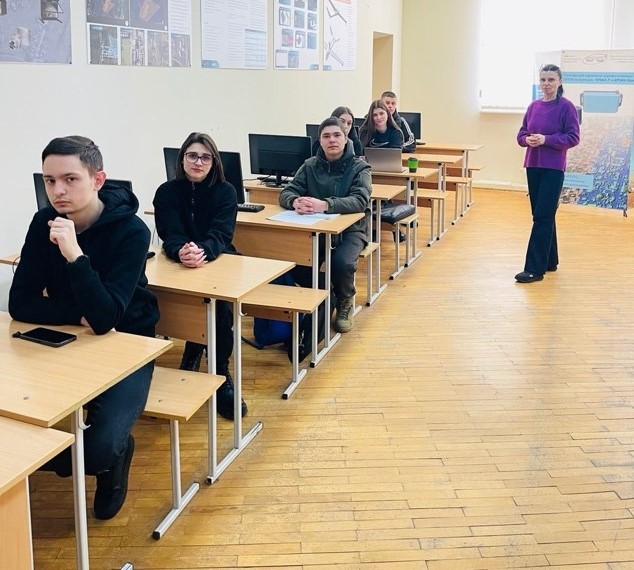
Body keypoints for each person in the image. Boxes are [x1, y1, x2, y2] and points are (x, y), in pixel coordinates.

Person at [8, 135, 159, 520]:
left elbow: (107, 319)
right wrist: (79, 315)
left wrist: (75, 255)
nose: (57, 190)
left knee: (98, 449)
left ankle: (114, 459)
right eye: (49, 180)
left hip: (130, 345)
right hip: (68, 339)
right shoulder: (43, 223)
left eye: (70, 179)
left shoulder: (132, 232)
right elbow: (20, 303)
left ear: (98, 180)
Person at [152, 132, 247, 419]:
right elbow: (169, 231)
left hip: (218, 256)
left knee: (219, 308)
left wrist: (202, 251)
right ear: (182, 159)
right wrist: (181, 250)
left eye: (206, 157)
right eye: (192, 155)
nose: (198, 162)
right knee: (163, 300)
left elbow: (221, 233)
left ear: (214, 162)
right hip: (179, 258)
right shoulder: (166, 192)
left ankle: (220, 372)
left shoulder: (226, 191)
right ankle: (193, 348)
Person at [279, 116, 371, 334]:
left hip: (352, 229)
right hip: (318, 229)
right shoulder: (309, 166)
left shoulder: (360, 167)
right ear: (319, 141)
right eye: (326, 136)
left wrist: (325, 205)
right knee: (296, 261)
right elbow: (287, 192)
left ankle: (345, 299)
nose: (332, 140)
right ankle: (326, 292)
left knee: (341, 263)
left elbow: (360, 200)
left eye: (337, 135)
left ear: (346, 138)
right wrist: (294, 201)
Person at [515, 64, 580, 283]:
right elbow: (521, 135)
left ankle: (534, 269)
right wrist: (527, 139)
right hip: (533, 165)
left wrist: (546, 139)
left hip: (553, 168)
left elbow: (573, 137)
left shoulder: (566, 107)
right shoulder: (533, 106)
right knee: (543, 214)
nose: (546, 84)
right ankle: (550, 260)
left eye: (551, 80)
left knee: (542, 216)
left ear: (560, 82)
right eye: (543, 80)